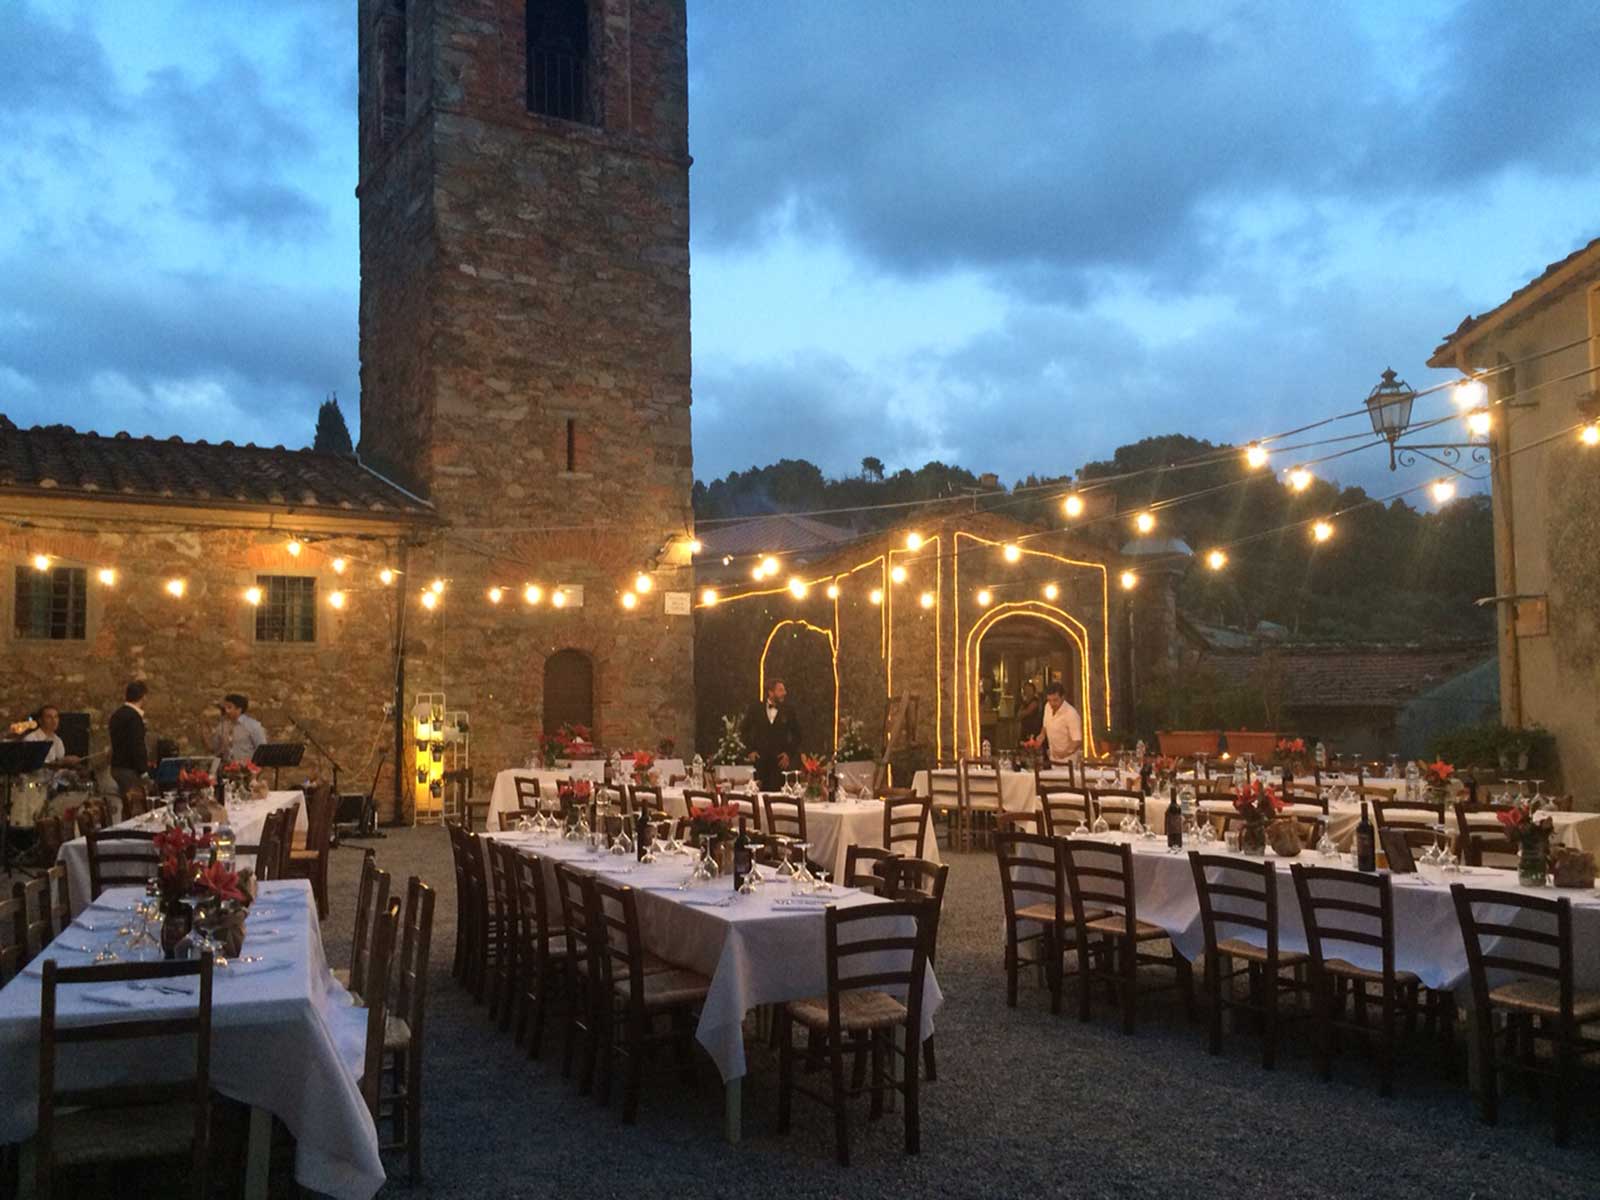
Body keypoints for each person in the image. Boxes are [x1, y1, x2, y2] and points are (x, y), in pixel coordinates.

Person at [739, 678, 801, 792]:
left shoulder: (789, 710)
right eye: (780, 690)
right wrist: (750, 750)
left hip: (780, 763)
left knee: (779, 797)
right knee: (758, 795)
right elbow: (743, 730)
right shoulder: (755, 709)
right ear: (770, 692)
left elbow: (797, 735)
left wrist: (788, 753)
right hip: (760, 761)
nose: (785, 693)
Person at [108, 680, 150, 799]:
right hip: (130, 770)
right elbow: (137, 745)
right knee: (135, 804)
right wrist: (143, 771)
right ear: (143, 697)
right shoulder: (134, 718)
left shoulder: (116, 715)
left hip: (116, 767)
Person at [211, 693, 267, 763]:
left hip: (246, 767)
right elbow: (216, 748)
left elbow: (262, 750)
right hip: (226, 766)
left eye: (229, 707)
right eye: (225, 707)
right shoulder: (221, 726)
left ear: (239, 709)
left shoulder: (253, 725)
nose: (226, 711)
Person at [1040, 681, 1083, 767]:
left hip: (1068, 761)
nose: (1052, 704)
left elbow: (1077, 741)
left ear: (1063, 697)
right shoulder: (1047, 706)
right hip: (1053, 759)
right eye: (1049, 700)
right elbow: (1045, 725)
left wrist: (1064, 753)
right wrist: (1042, 735)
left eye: (1055, 700)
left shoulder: (1071, 714)